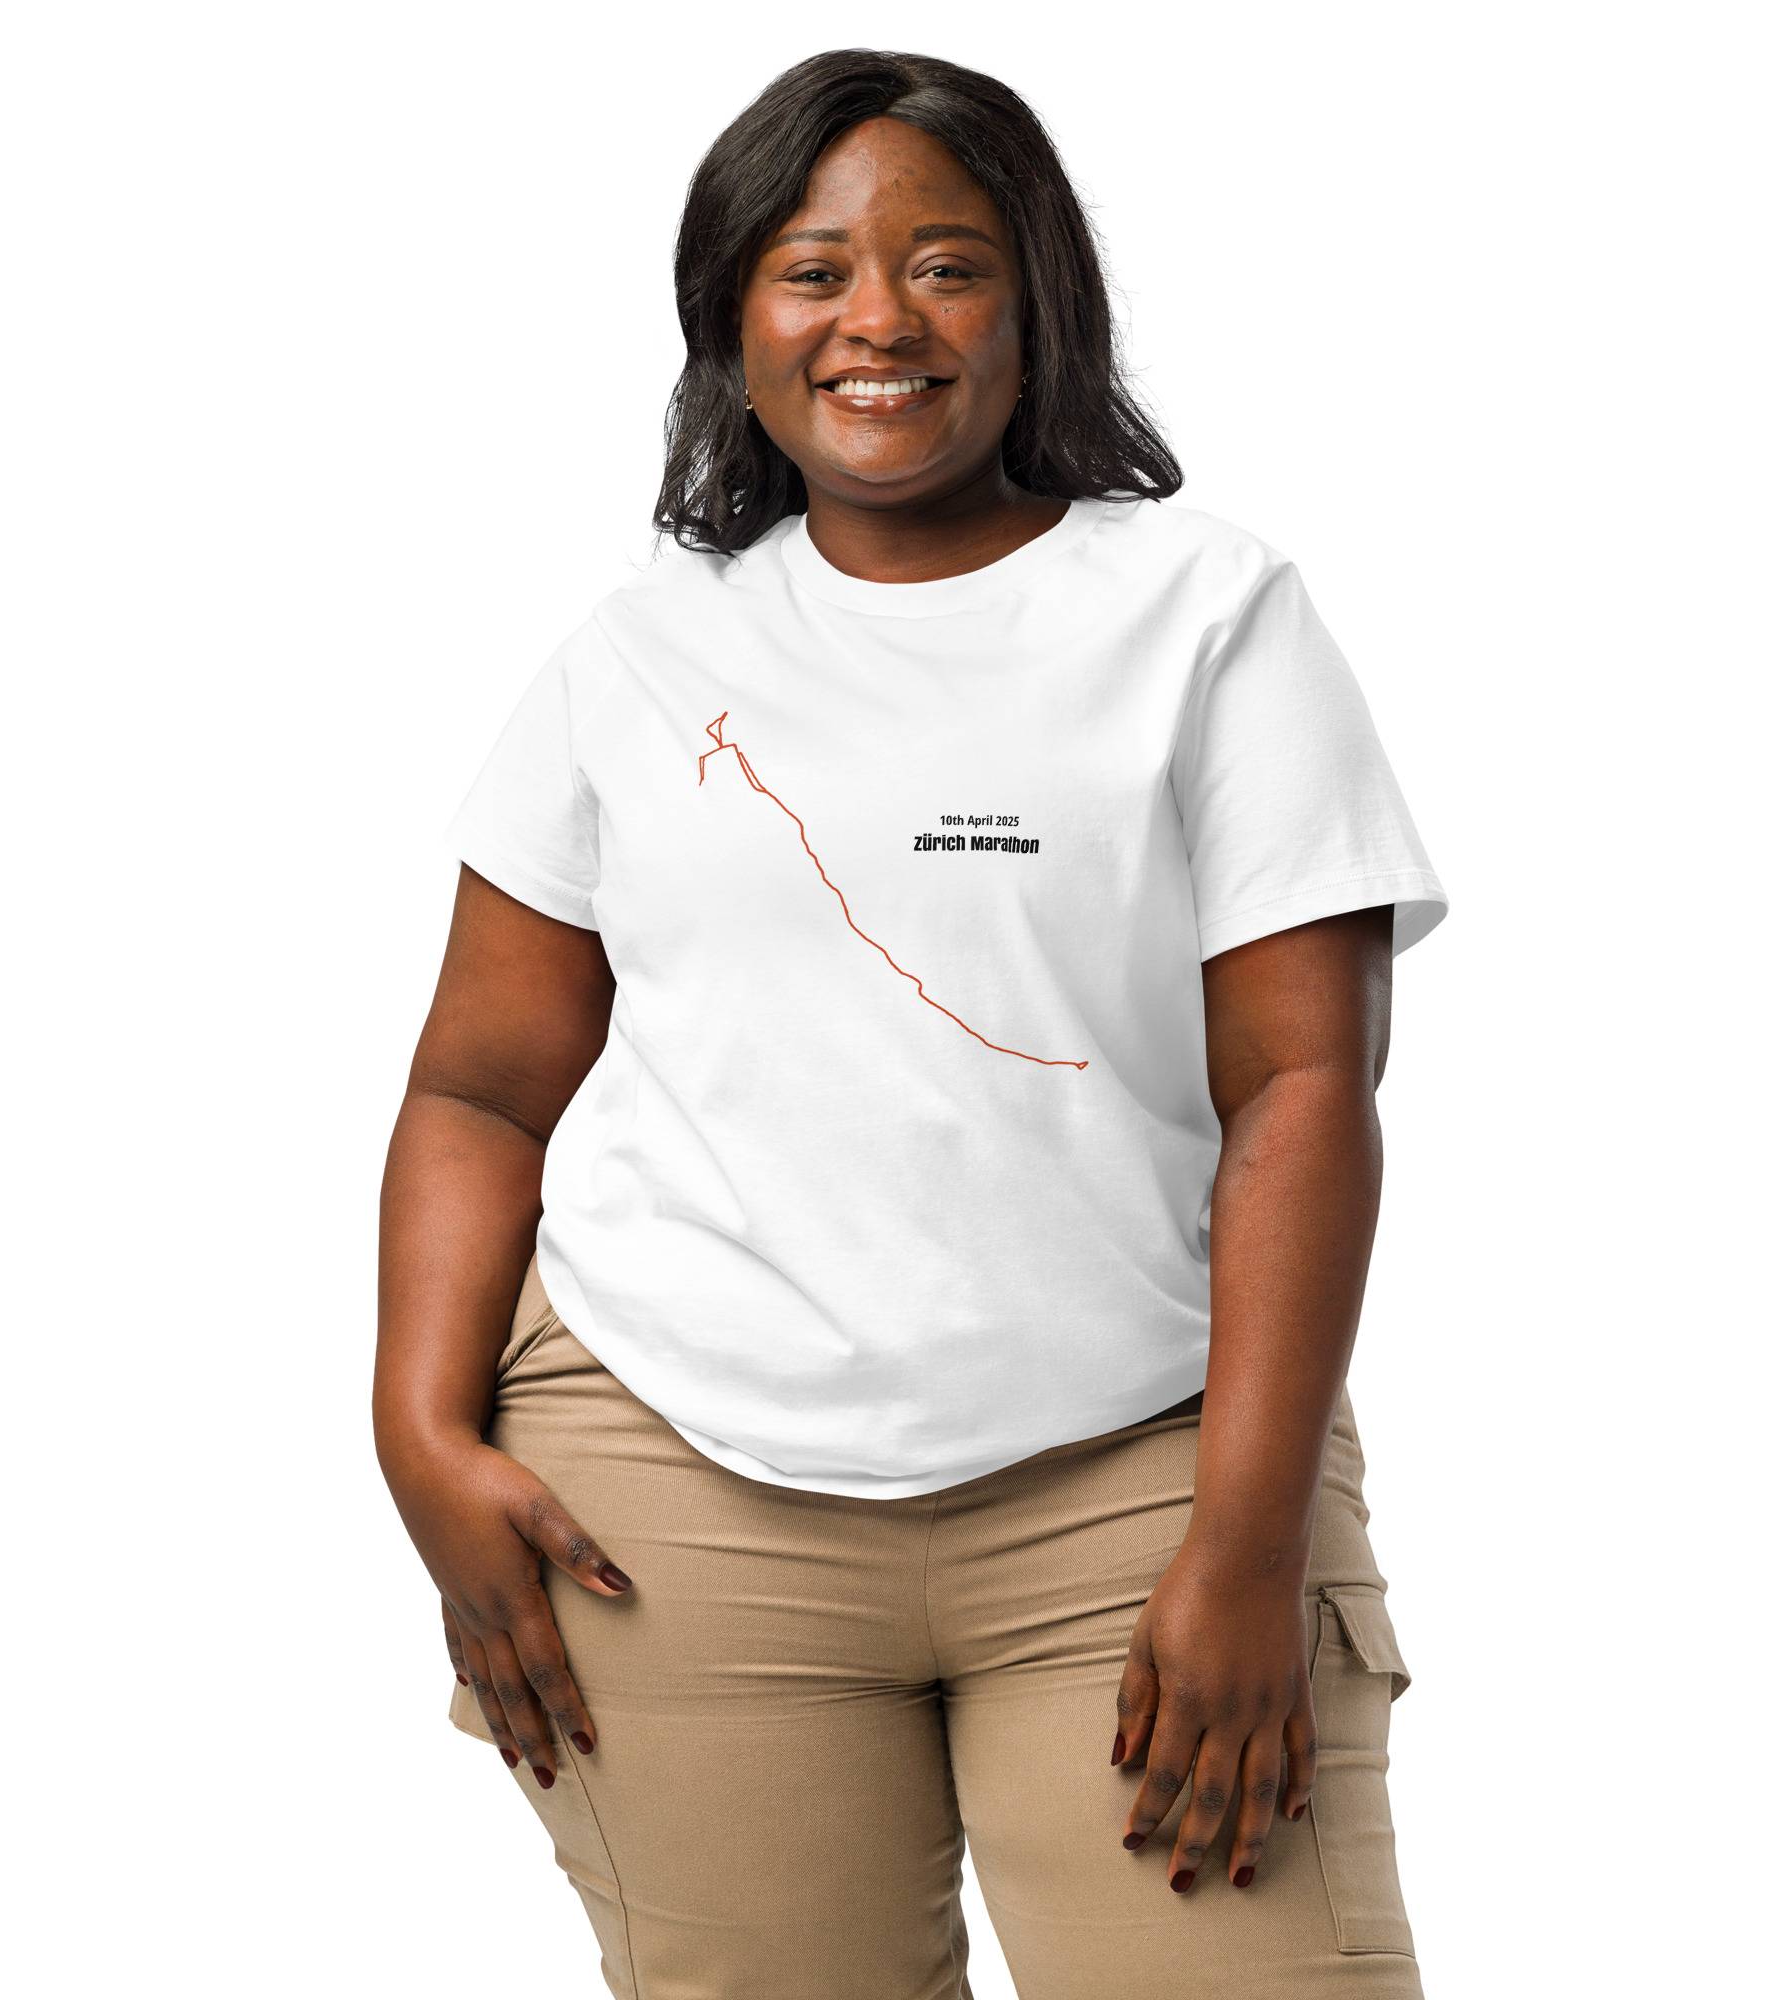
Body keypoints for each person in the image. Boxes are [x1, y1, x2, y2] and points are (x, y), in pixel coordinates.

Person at [375, 46, 1449, 2000]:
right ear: (732, 323)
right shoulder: (640, 653)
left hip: (1139, 1473)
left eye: (947, 266)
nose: (878, 319)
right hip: (672, 1498)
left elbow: (1303, 1085)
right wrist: (416, 1429)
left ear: (1038, 306)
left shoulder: (1207, 617)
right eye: (813, 271)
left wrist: (1248, 1543)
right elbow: (479, 1085)